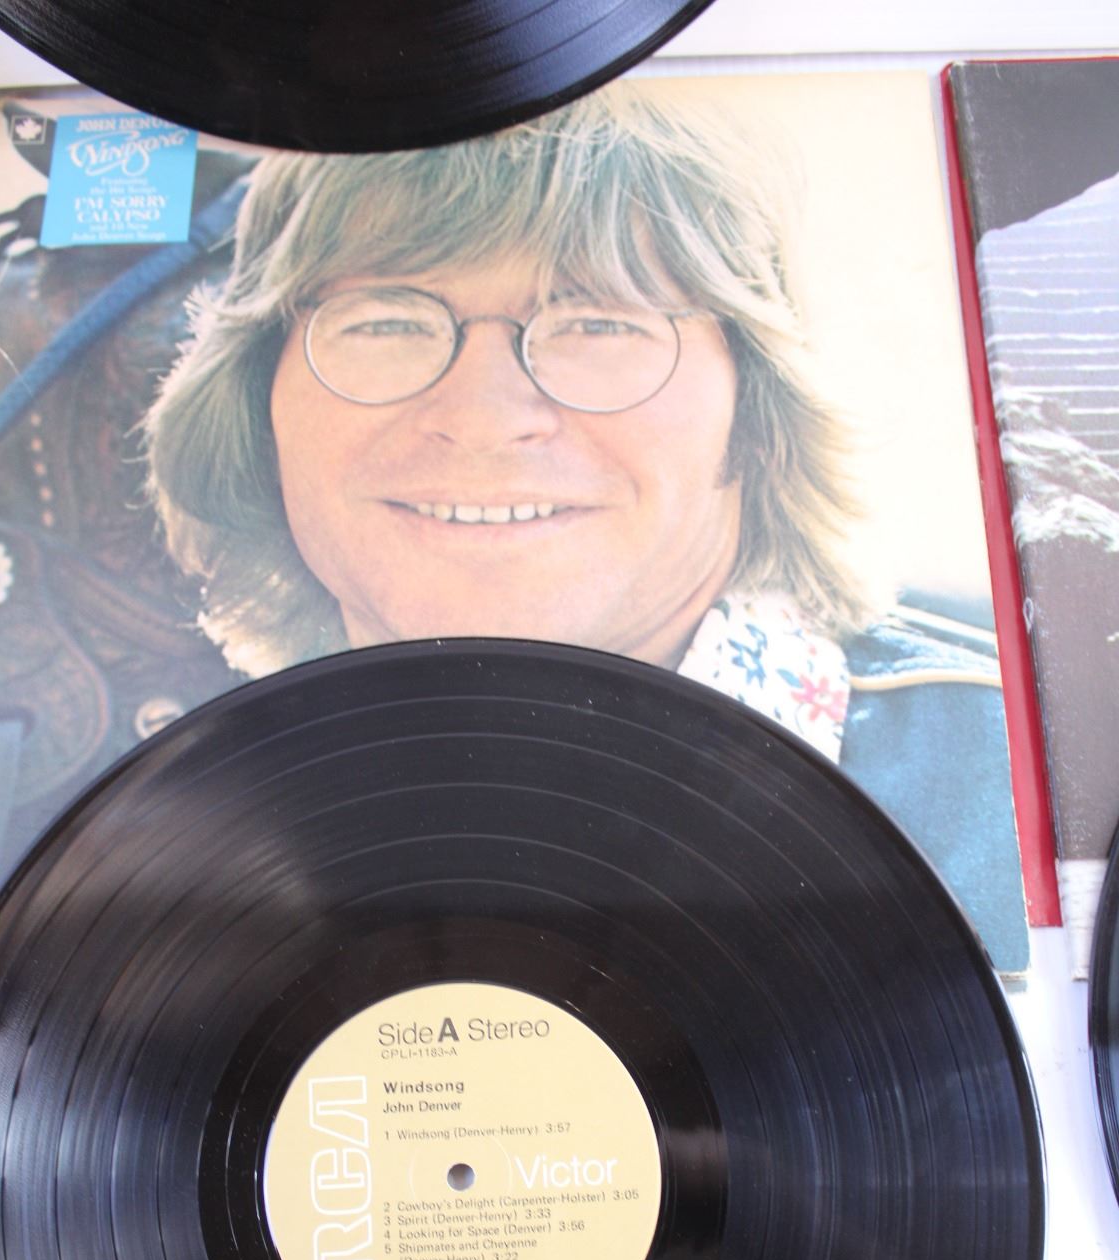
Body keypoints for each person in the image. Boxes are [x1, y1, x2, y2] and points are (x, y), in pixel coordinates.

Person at [145, 85, 1025, 968]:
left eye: (597, 324)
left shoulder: (1009, 783)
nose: (483, 418)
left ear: (756, 415)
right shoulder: (158, 840)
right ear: (253, 407)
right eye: (386, 322)